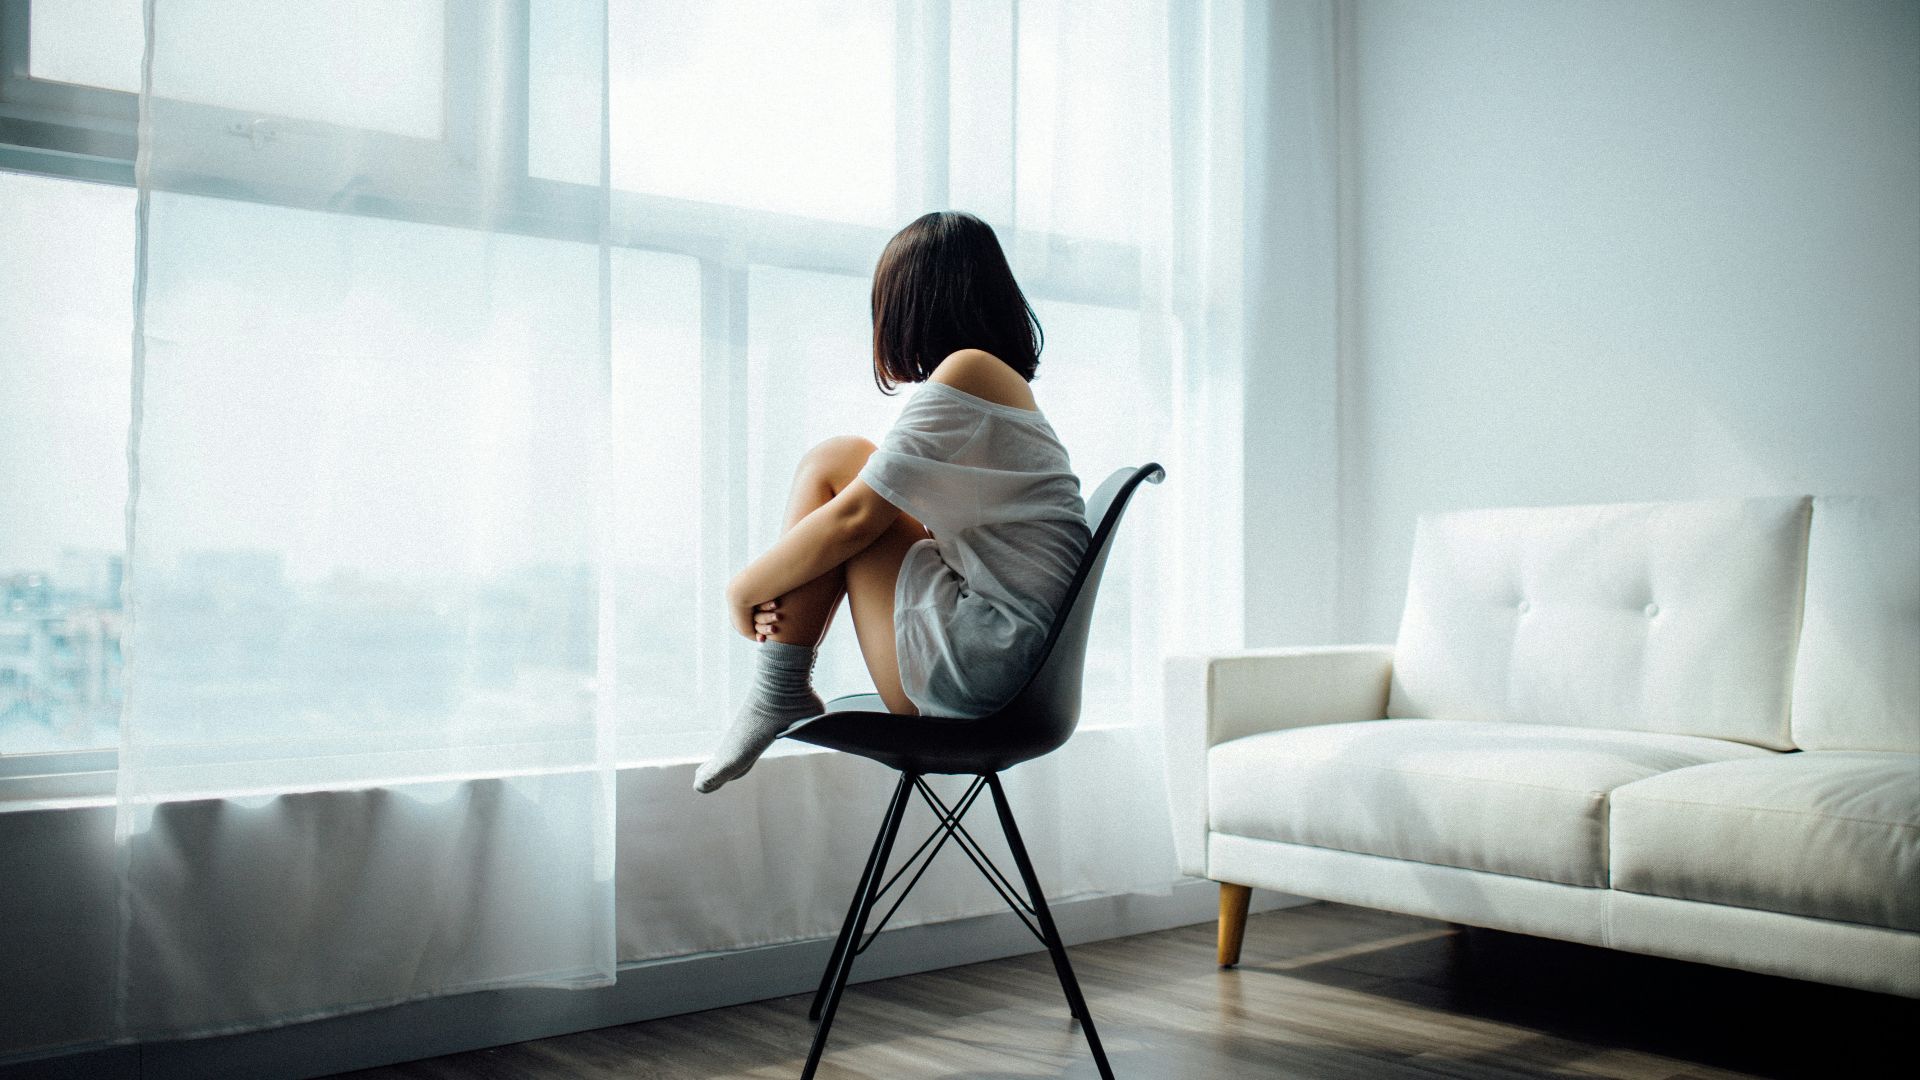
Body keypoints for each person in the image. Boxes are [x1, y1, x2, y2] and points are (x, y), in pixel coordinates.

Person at [694, 210, 1092, 793]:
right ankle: (778, 687)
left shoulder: (970, 371)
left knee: (836, 465)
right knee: (847, 462)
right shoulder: (996, 384)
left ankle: (777, 687)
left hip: (984, 671)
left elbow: (856, 520)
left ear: (911, 303)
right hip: (1012, 666)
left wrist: (742, 590)